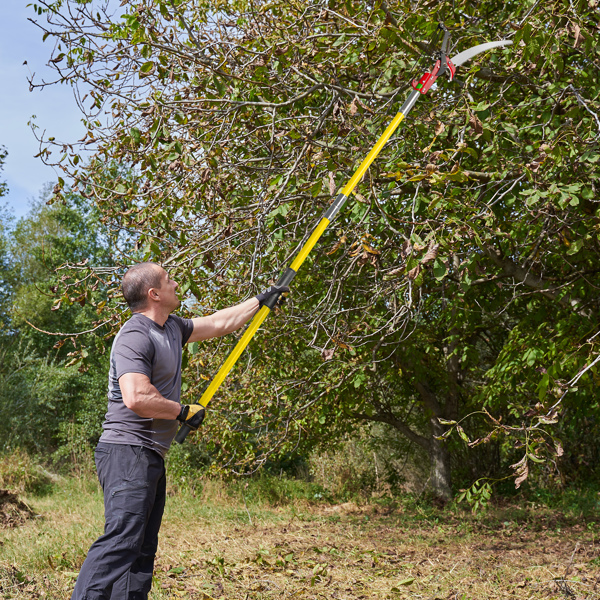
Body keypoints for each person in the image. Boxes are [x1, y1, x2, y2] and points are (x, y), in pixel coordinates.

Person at [71, 261, 287, 600]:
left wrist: (260, 301)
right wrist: (182, 411)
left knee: (141, 549)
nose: (176, 283)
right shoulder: (134, 336)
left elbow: (218, 323)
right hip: (127, 451)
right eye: (169, 280)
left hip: (150, 454)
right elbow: (136, 396)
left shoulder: (172, 327)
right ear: (154, 293)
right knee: (121, 541)